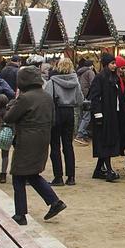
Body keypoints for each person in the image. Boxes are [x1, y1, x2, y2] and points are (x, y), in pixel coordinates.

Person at [3, 65, 65, 225]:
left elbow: (9, 118)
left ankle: (20, 214)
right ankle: (54, 202)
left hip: (26, 139)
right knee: (31, 173)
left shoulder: (25, 98)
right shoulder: (46, 96)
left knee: (18, 175)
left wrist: (10, 106)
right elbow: (53, 120)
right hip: (43, 137)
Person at [88, 54, 125, 181]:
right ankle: (109, 170)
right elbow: (95, 97)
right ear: (106, 64)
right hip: (104, 115)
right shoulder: (100, 78)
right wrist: (98, 114)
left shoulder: (114, 78)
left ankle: (98, 170)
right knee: (106, 142)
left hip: (113, 114)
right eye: (112, 63)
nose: (114, 65)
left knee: (108, 142)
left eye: (114, 63)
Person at [44, 57, 82, 186]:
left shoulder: (52, 82)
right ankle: (71, 177)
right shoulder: (75, 82)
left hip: (56, 112)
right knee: (68, 145)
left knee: (55, 145)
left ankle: (58, 177)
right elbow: (80, 100)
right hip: (69, 112)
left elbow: (47, 99)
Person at [75, 58, 95, 142]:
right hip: (88, 96)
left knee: (81, 116)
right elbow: (93, 84)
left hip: (79, 96)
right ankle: (80, 134)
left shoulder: (79, 72)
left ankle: (81, 132)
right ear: (91, 66)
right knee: (87, 117)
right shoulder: (90, 72)